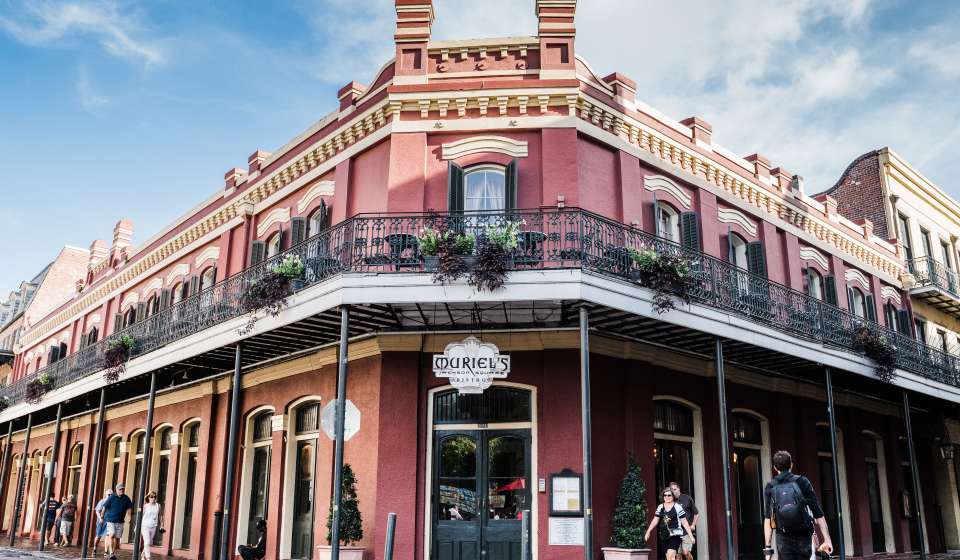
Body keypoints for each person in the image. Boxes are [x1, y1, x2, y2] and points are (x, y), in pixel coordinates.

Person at [763, 450, 833, 560]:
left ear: (775, 468)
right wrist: (827, 539)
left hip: (783, 538)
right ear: (791, 464)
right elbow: (818, 512)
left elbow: (768, 519)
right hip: (803, 536)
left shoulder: (770, 486)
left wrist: (768, 549)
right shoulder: (802, 482)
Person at [644, 486, 695, 560]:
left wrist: (691, 536)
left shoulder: (677, 507)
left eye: (669, 495)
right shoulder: (660, 507)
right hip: (664, 534)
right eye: (665, 495)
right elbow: (655, 520)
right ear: (663, 496)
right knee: (669, 557)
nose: (667, 497)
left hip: (676, 534)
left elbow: (684, 522)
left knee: (671, 555)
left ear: (673, 496)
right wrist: (648, 531)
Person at [102, 483, 134, 560]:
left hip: (120, 521)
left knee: (116, 537)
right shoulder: (112, 497)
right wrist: (102, 515)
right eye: (120, 489)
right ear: (116, 490)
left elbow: (129, 508)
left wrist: (129, 516)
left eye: (123, 489)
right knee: (112, 534)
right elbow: (105, 506)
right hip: (111, 520)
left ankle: (112, 553)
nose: (122, 490)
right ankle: (111, 552)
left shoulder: (126, 498)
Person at [669, 482, 699, 560]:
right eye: (671, 490)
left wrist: (693, 525)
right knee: (678, 555)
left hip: (687, 530)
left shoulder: (687, 498)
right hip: (676, 531)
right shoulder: (670, 501)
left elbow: (696, 513)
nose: (673, 491)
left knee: (685, 552)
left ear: (679, 489)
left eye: (675, 489)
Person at [140, 491, 163, 560]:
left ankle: (143, 554)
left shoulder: (158, 505)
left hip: (153, 526)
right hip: (145, 526)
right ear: (148, 498)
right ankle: (148, 558)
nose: (153, 498)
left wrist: (162, 524)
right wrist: (137, 526)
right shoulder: (145, 506)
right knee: (146, 542)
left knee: (149, 543)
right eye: (151, 497)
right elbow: (141, 516)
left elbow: (161, 515)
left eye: (155, 497)